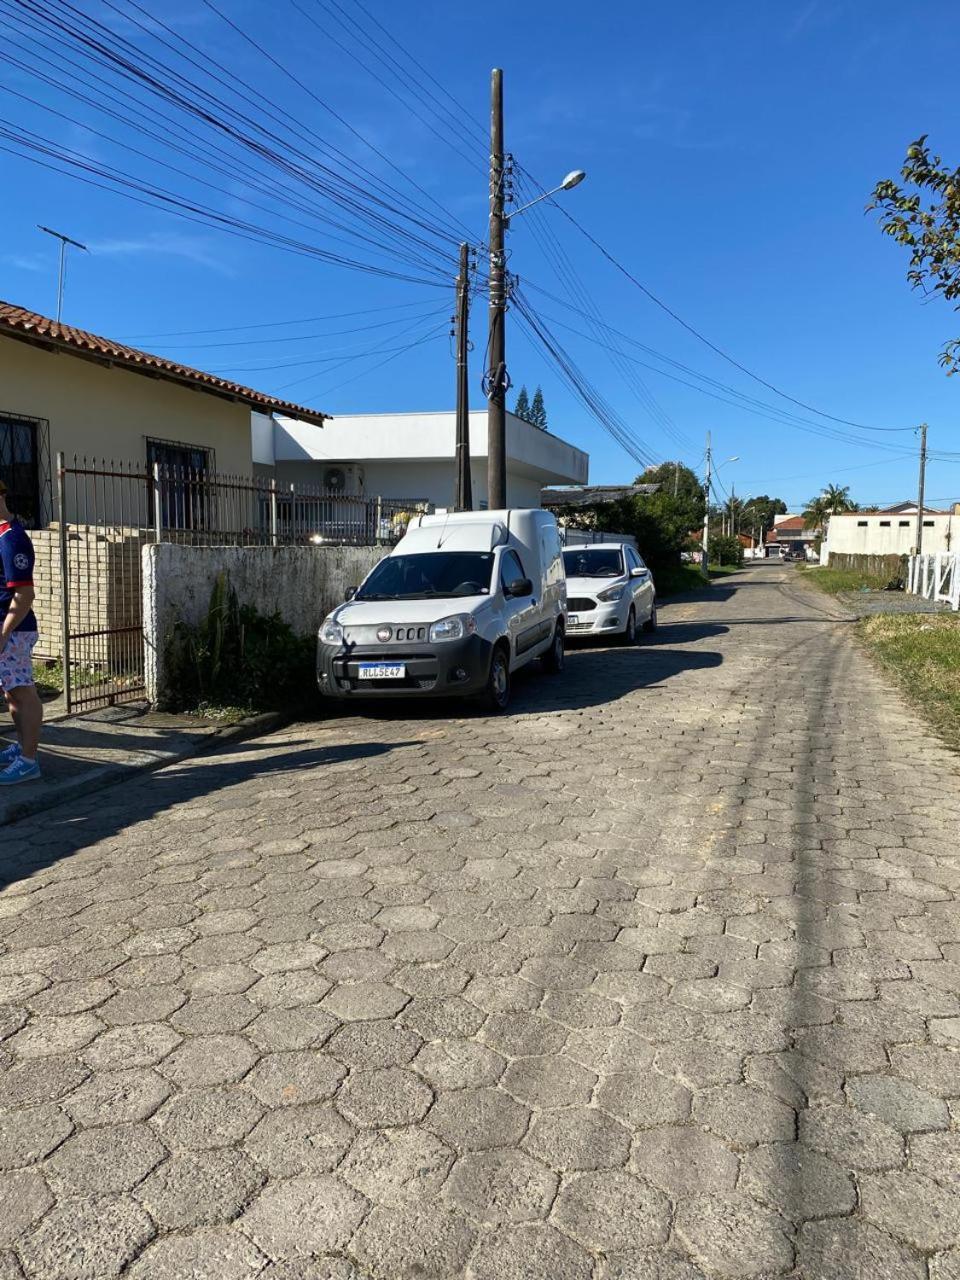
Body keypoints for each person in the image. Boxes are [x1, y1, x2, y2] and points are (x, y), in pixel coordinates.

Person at [0, 479, 42, 784]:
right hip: (7, 628)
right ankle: (22, 747)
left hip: (13, 629)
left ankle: (29, 761)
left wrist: (3, 633)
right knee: (12, 692)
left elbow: (24, 595)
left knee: (23, 692)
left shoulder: (12, 539)